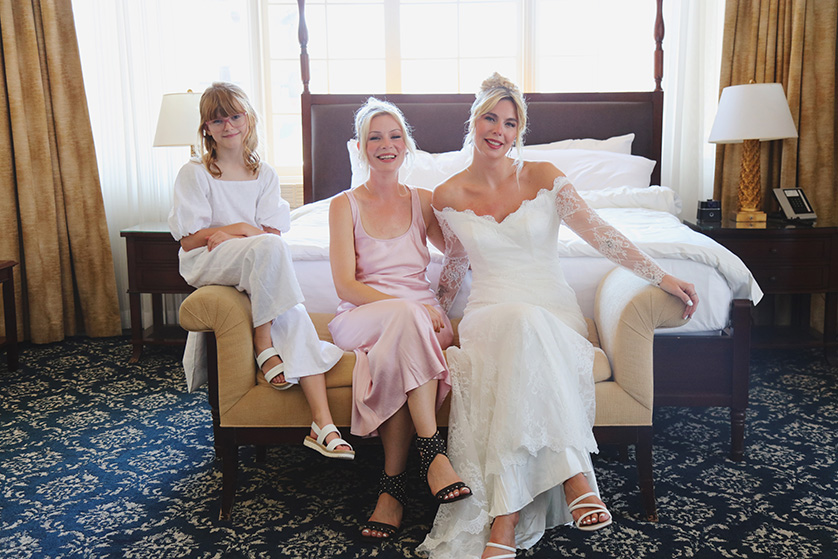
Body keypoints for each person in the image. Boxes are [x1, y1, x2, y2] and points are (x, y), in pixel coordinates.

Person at [417, 74, 699, 559]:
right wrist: (433, 318)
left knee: (528, 327)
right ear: (474, 120)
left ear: (519, 131)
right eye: (490, 118)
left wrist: (661, 277)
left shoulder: (544, 176)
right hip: (488, 316)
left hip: (553, 313)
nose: (498, 130)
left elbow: (601, 235)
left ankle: (503, 522)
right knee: (519, 325)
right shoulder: (445, 196)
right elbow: (455, 268)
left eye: (510, 122)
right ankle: (573, 475)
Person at [168, 82, 353, 460]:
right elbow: (188, 241)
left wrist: (239, 231)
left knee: (293, 308)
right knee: (272, 248)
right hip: (208, 259)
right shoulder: (196, 173)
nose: (228, 126)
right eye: (217, 120)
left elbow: (268, 232)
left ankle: (323, 423)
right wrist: (242, 230)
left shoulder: (263, 173)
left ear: (249, 119)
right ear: (206, 128)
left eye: (235, 116)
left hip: (250, 256)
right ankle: (262, 343)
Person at [328, 98, 472, 542]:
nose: (385, 145)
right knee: (406, 321)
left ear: (406, 145)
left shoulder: (423, 202)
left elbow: (462, 250)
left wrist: (441, 302)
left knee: (403, 342)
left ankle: (391, 490)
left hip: (423, 320)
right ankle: (433, 452)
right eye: (375, 137)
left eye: (394, 136)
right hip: (361, 315)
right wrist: (409, 308)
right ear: (360, 147)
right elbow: (345, 286)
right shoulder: (342, 205)